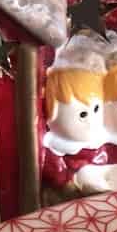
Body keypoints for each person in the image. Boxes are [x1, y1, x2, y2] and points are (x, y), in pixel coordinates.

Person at [40, 57, 109, 196]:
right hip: (72, 191)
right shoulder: (56, 148)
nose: (91, 121)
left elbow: (104, 156)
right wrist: (66, 180)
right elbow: (54, 171)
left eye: (96, 109)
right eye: (83, 115)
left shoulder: (98, 139)